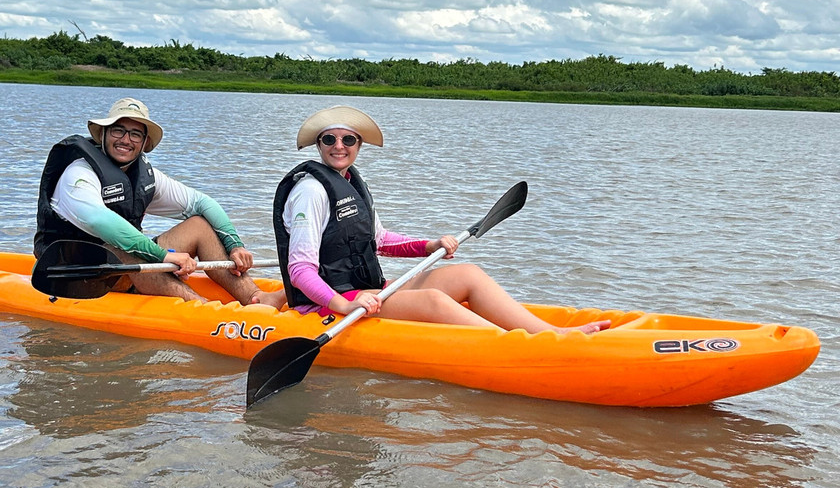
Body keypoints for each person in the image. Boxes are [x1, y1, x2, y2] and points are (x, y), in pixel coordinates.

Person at [264, 104, 610, 334]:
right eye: (329, 139)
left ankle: (552, 334)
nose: (339, 146)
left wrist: (430, 245)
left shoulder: (352, 184)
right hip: (329, 302)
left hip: (368, 289)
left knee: (468, 274)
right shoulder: (311, 191)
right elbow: (300, 271)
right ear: (319, 145)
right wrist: (344, 303)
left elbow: (380, 241)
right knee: (432, 301)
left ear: (359, 144)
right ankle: (518, 346)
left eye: (348, 139)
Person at [35, 96, 282, 305]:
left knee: (199, 225)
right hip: (76, 270)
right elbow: (99, 220)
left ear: (144, 143)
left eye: (135, 134)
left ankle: (256, 297)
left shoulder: (143, 175)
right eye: (118, 130)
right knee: (123, 246)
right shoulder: (78, 174)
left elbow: (202, 203)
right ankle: (201, 309)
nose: (125, 140)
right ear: (104, 134)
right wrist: (162, 256)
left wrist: (234, 245)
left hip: (123, 267)